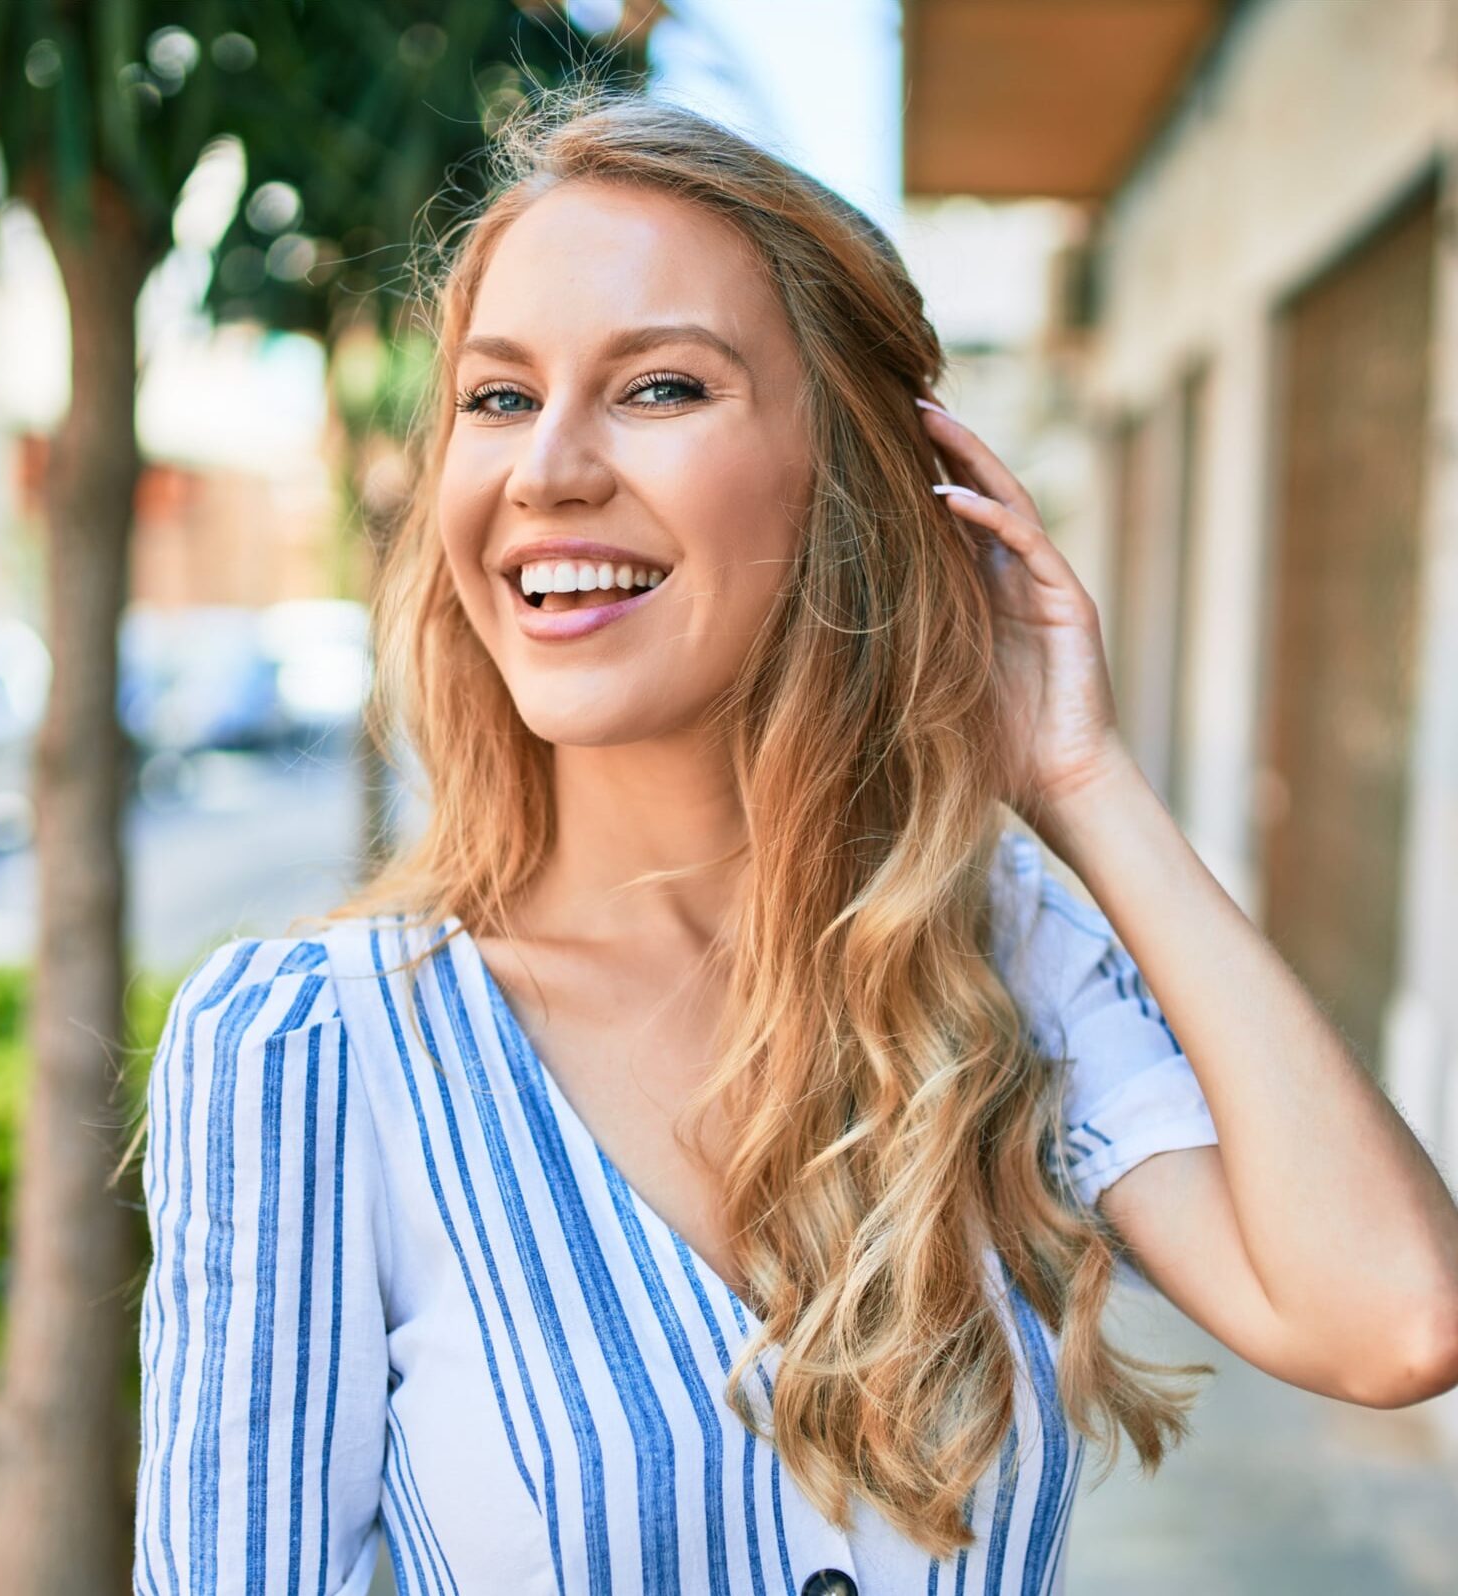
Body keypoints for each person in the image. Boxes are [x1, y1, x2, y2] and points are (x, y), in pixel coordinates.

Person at [129, 84, 1458, 1596]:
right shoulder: (316, 1048)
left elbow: (1393, 1318)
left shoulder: (987, 942)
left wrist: (1082, 780)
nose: (548, 468)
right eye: (499, 399)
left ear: (849, 478)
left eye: (660, 389)